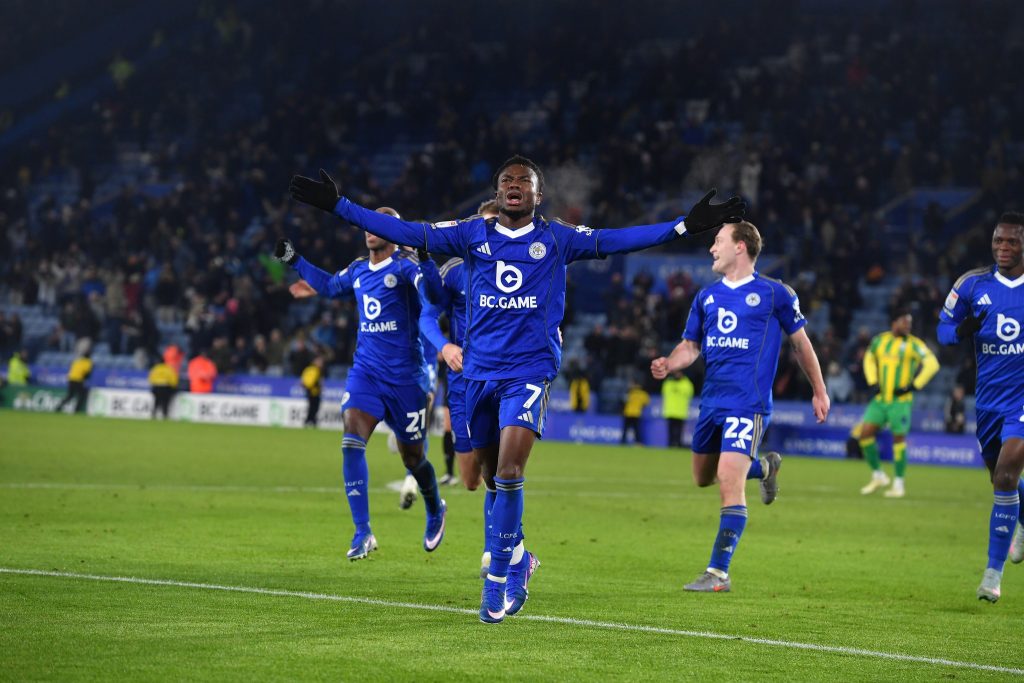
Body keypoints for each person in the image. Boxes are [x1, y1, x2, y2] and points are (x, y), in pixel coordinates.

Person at [290, 154, 744, 622]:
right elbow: (409, 233)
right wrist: (339, 206)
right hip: (477, 376)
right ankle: (520, 556)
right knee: (485, 477)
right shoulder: (470, 235)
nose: (514, 186)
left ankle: (496, 585)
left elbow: (617, 240)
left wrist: (684, 227)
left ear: (536, 195)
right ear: (498, 190)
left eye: (523, 182)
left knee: (508, 471)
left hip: (528, 373)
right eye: (507, 179)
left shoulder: (556, 238)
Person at [651, 221, 829, 593]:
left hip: (748, 404)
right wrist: (670, 362)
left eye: (717, 242)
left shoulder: (774, 293)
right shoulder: (707, 297)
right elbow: (691, 346)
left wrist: (819, 390)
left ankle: (718, 573)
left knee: (729, 480)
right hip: (712, 403)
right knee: (703, 476)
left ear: (741, 247)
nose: (712, 249)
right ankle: (764, 467)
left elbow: (801, 344)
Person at [274, 207, 447, 562]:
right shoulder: (357, 271)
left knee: (413, 457)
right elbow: (327, 286)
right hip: (366, 373)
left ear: (394, 232)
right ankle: (362, 531)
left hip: (406, 381)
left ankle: (435, 507)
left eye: (379, 224)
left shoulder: (405, 269)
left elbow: (434, 294)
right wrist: (295, 259)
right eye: (367, 224)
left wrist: (427, 258)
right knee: (351, 441)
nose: (370, 230)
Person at [937, 212, 1024, 602]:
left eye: (1011, 242)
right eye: (998, 241)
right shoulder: (972, 284)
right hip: (989, 399)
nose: (1003, 248)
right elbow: (942, 330)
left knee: (1005, 476)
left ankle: (992, 574)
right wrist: (962, 330)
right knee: (999, 478)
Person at [857, 309, 940, 498]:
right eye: (904, 321)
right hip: (880, 400)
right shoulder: (880, 340)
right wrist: (873, 381)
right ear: (894, 322)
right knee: (865, 435)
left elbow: (932, 364)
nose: (907, 326)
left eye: (909, 322)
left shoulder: (913, 344)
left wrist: (913, 386)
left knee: (898, 440)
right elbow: (869, 358)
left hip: (900, 402)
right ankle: (878, 476)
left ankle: (899, 484)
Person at [662, 371, 694, 448]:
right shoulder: (669, 383)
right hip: (670, 411)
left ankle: (678, 445)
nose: (677, 374)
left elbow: (690, 394)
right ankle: (670, 445)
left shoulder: (686, 384)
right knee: (671, 431)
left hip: (680, 412)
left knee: (679, 431)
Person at [55, 349, 93, 414]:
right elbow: (87, 374)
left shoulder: (77, 361)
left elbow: (71, 368)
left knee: (70, 395)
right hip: (78, 380)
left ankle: (58, 407)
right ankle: (76, 410)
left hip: (71, 379)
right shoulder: (88, 362)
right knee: (82, 395)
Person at [620, 380, 650, 445]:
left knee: (626, 429)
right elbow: (646, 403)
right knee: (636, 430)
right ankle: (638, 442)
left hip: (628, 413)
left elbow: (623, 402)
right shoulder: (643, 394)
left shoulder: (629, 393)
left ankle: (623, 442)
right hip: (636, 413)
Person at [300, 356, 324, 427]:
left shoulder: (308, 369)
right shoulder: (315, 370)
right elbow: (312, 381)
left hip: (309, 391)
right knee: (314, 407)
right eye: (320, 362)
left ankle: (311, 420)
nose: (321, 364)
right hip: (314, 392)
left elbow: (303, 380)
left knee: (312, 407)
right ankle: (310, 420)